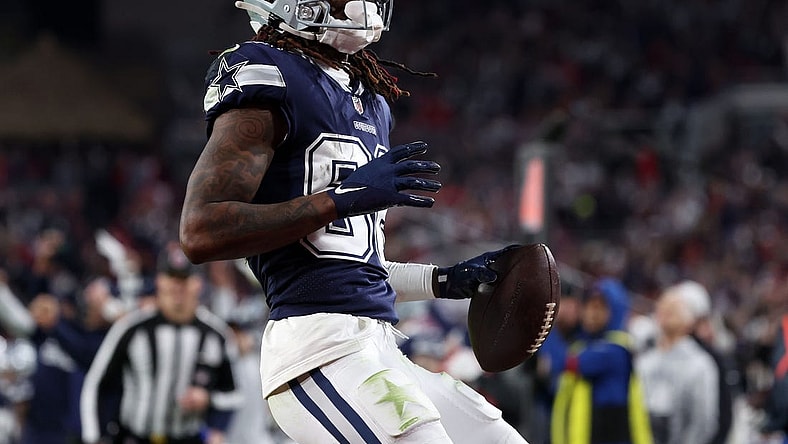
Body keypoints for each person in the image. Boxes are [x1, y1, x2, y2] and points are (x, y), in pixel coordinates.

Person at [179, 1, 529, 442]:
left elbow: (348, 264)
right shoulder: (268, 72)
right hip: (317, 348)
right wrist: (342, 198)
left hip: (378, 346)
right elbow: (200, 230)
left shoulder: (371, 102)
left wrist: (442, 280)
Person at [80, 242, 241, 444]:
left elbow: (233, 394)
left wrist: (209, 402)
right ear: (159, 281)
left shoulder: (217, 335)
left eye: (184, 278)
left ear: (198, 283)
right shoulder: (132, 327)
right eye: (171, 277)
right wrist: (94, 438)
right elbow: (97, 384)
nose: (177, 286)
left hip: (187, 438)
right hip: (135, 436)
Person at [550, 278, 652, 444]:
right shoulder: (582, 345)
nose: (591, 313)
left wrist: (547, 324)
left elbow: (566, 363)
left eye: (599, 307)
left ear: (616, 309)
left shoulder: (615, 348)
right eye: (588, 306)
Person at [635, 283, 719, 444]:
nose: (666, 312)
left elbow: (704, 422)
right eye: (663, 306)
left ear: (690, 320)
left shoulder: (700, 364)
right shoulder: (645, 361)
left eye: (674, 309)